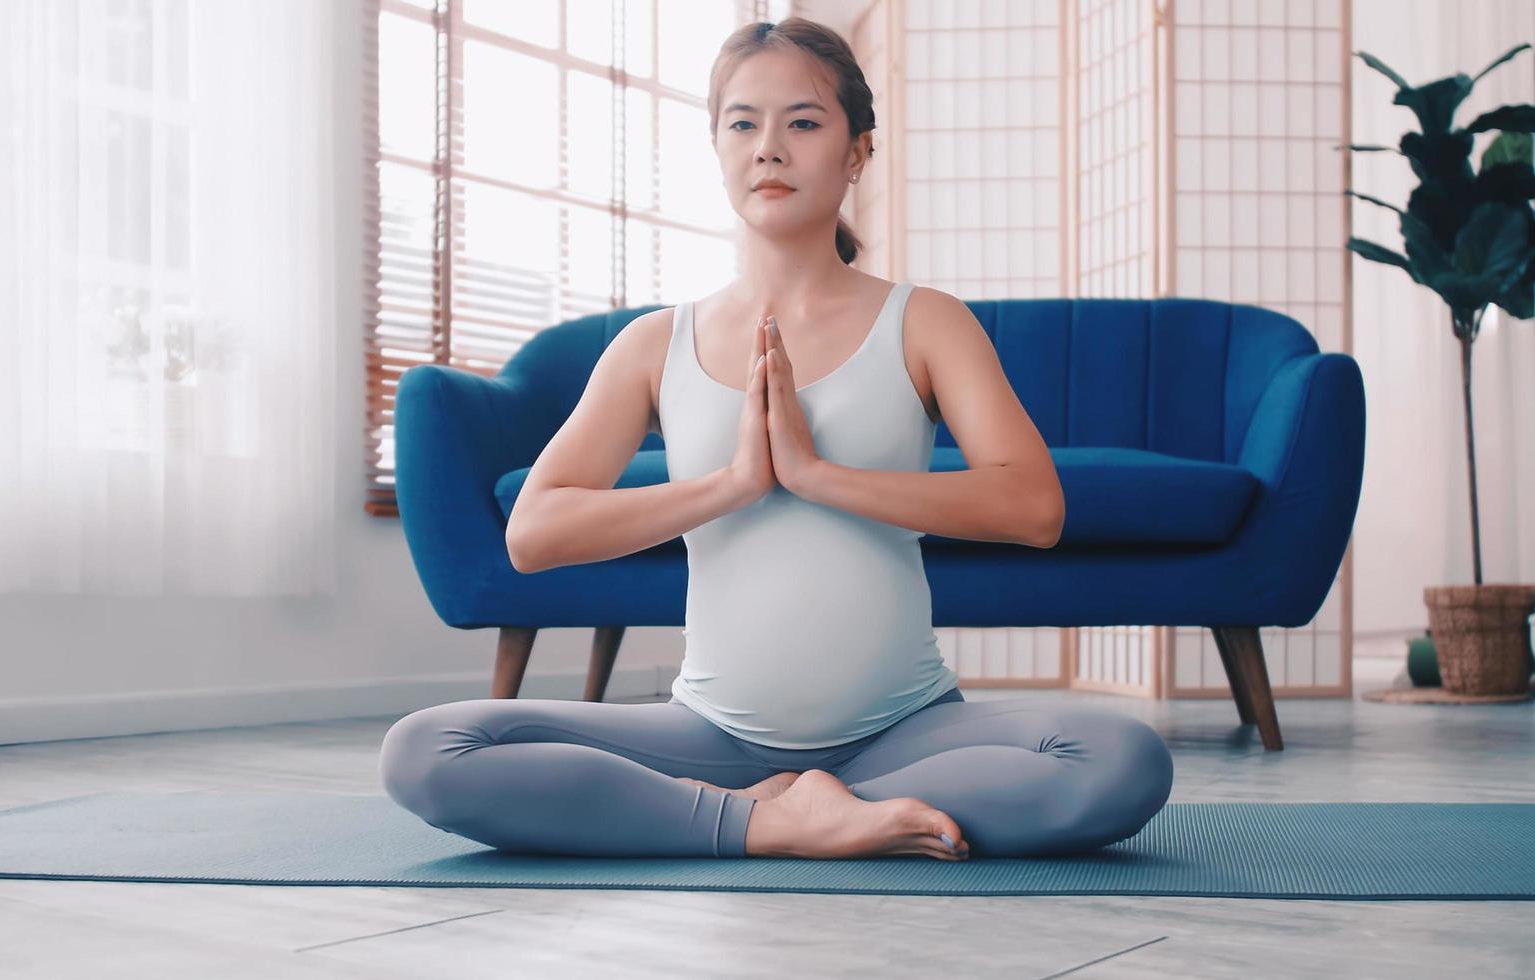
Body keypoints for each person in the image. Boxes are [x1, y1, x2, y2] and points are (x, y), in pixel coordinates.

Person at [378, 17, 1173, 861]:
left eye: (802, 122)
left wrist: (817, 474)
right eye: (743, 123)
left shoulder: (925, 323)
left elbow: (1033, 506)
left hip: (906, 732)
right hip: (712, 735)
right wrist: (732, 484)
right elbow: (534, 535)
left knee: (1121, 760)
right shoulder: (655, 344)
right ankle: (781, 820)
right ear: (717, 148)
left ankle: (786, 811)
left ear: (857, 151)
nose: (769, 148)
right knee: (428, 750)